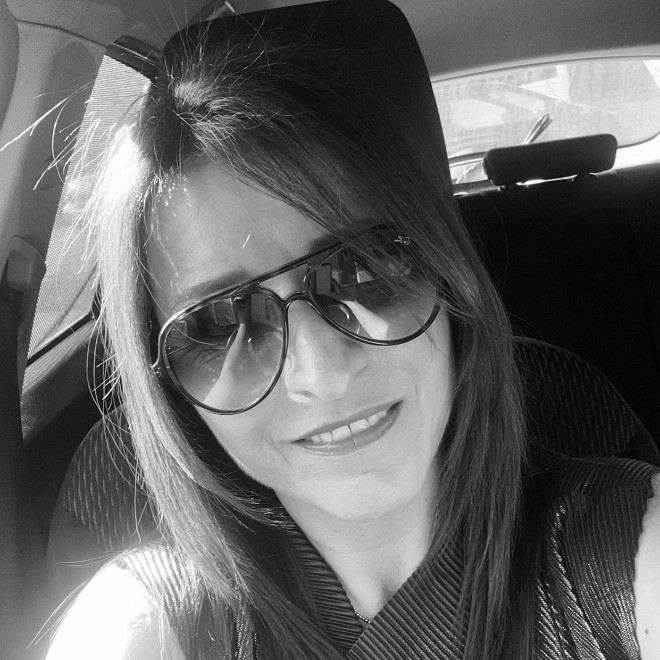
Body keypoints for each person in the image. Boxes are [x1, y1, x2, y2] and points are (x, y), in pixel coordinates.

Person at [45, 1, 660, 659]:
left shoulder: (619, 562)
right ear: (167, 388)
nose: (323, 374)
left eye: (364, 267)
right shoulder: (152, 625)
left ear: (448, 274)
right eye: (220, 322)